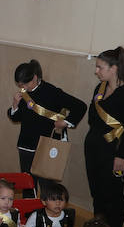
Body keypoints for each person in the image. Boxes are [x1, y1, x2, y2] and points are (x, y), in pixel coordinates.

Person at [83, 47, 124, 227]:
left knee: (113, 196)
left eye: (100, 67)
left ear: (114, 68)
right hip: (94, 149)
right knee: (97, 193)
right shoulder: (99, 89)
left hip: (114, 152)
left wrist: (121, 156)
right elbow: (92, 119)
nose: (96, 71)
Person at [7, 59, 86, 197]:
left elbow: (80, 106)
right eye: (20, 85)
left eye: (26, 83)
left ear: (35, 78)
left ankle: (46, 216)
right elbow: (16, 117)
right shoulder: (24, 93)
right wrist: (15, 105)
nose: (24, 87)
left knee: (47, 188)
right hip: (26, 146)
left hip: (46, 147)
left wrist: (66, 122)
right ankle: (29, 216)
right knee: (27, 186)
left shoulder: (52, 92)